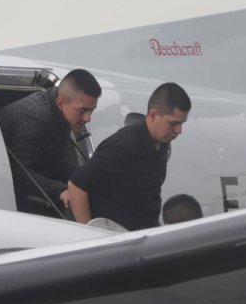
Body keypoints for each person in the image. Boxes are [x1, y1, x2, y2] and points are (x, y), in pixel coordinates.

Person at [68, 82, 190, 231]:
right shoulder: (123, 145)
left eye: (182, 124)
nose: (179, 130)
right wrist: (88, 235)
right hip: (116, 240)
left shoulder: (163, 143)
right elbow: (77, 186)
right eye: (173, 124)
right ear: (152, 116)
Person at [0, 68, 101, 216]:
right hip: (2, 182)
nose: (87, 119)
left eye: (91, 111)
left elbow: (56, 161)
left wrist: (85, 179)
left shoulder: (62, 114)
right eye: (82, 111)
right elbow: (18, 172)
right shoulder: (34, 119)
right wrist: (59, 190)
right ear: (60, 103)